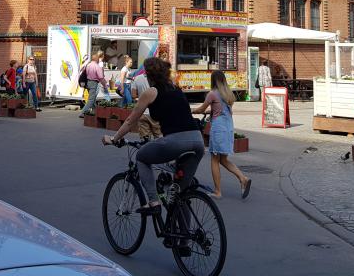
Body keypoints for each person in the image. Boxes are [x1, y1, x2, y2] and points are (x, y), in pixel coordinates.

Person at [103, 57, 205, 214]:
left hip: (175, 141)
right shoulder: (176, 89)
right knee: (180, 194)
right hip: (197, 142)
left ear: (148, 75)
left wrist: (114, 138)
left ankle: (153, 202)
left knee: (142, 157)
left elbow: (131, 121)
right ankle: (183, 237)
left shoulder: (151, 92)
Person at [194, 71, 251, 199]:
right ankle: (243, 178)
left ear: (213, 80)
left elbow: (201, 109)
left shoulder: (212, 94)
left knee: (214, 159)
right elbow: (220, 109)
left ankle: (218, 191)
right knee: (223, 160)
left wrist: (192, 110)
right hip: (229, 128)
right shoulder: (228, 94)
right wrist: (210, 111)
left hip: (218, 129)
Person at [79, 50, 107, 117]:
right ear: (96, 59)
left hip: (88, 83)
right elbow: (101, 77)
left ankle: (95, 112)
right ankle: (83, 112)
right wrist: (105, 85)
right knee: (91, 99)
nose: (98, 59)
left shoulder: (88, 65)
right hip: (94, 83)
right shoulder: (97, 67)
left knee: (93, 98)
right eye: (98, 58)